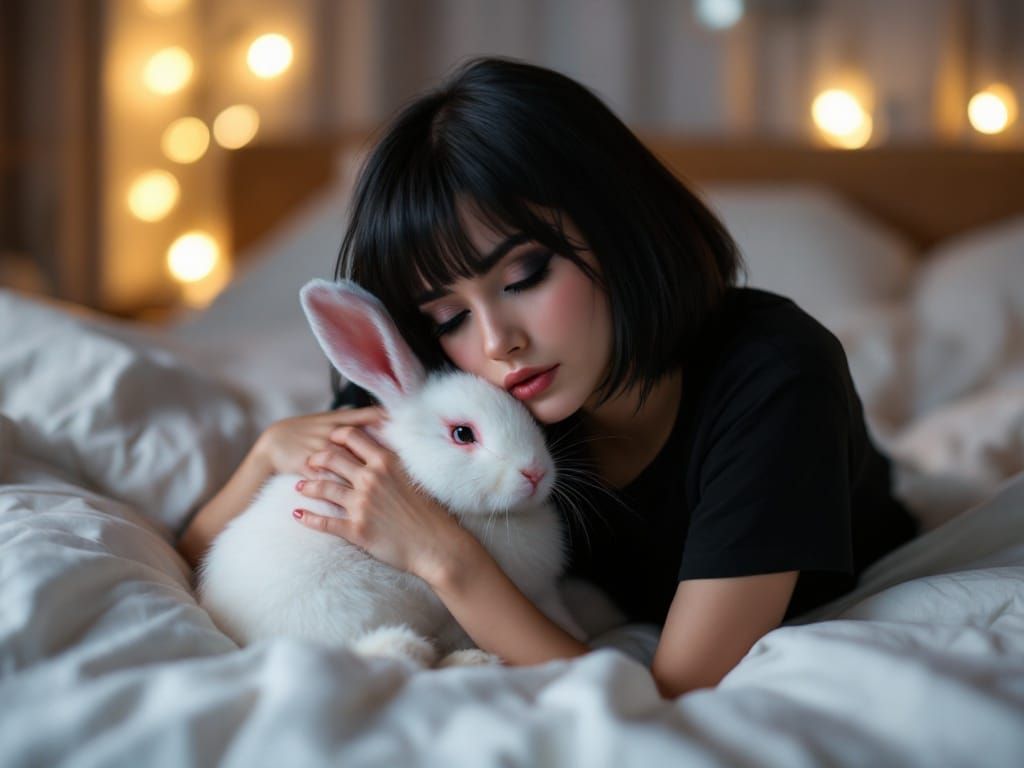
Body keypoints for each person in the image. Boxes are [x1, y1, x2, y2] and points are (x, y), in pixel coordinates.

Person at [176, 56, 919, 699]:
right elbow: (196, 560)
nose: (499, 342)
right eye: (448, 315)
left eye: (525, 274)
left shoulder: (775, 377)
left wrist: (443, 557)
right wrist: (269, 452)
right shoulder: (450, 384)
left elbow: (673, 692)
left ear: (618, 224)